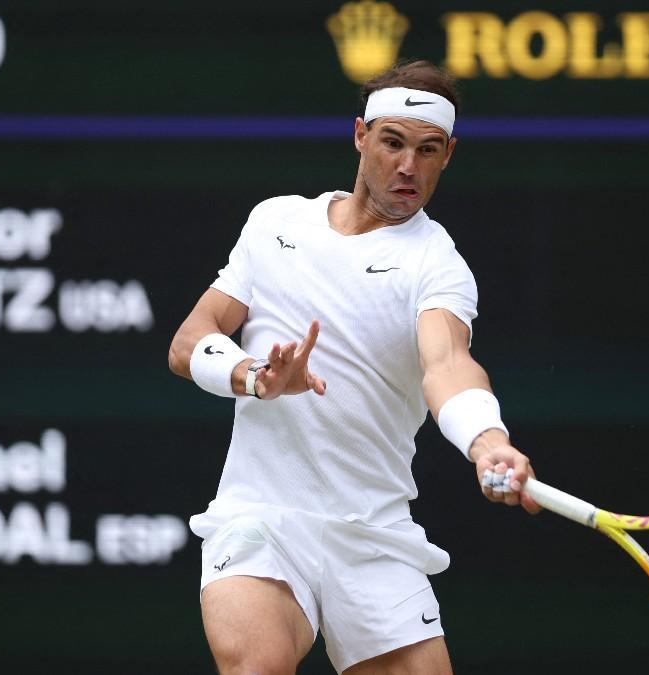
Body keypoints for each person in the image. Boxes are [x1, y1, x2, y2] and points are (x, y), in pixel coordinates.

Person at [168, 60, 539, 675]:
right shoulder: (275, 223)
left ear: (448, 154)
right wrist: (256, 377)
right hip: (262, 518)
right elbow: (190, 342)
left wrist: (487, 441)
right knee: (256, 665)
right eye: (392, 142)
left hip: (373, 537)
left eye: (427, 150)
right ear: (360, 135)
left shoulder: (438, 265)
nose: (407, 167)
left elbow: (447, 365)